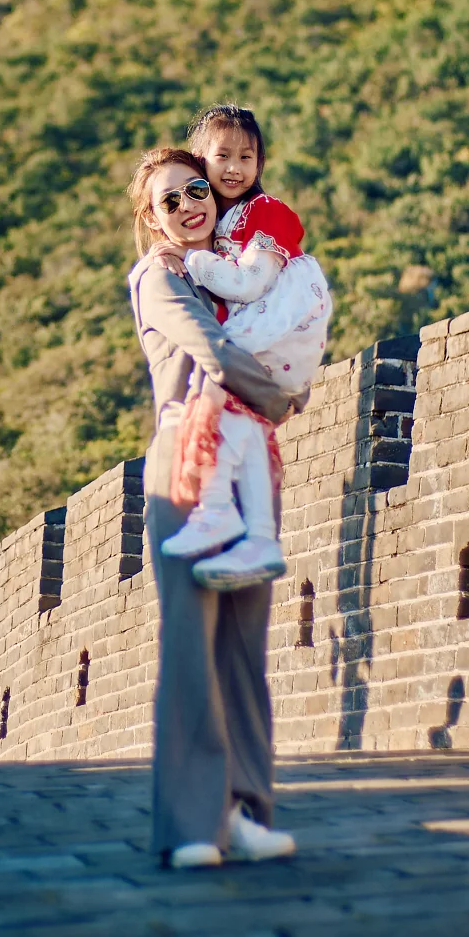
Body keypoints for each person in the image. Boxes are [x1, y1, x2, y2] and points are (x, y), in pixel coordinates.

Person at [127, 145, 305, 869]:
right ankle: (190, 824)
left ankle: (246, 809)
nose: (188, 205)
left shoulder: (232, 277)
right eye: (169, 200)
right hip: (188, 464)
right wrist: (284, 394)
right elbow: (216, 350)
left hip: (247, 459)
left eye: (195, 189)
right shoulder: (156, 279)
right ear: (151, 218)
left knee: (243, 646)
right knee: (192, 649)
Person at [161, 106, 331, 589]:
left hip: (285, 319)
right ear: (201, 159)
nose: (234, 168)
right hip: (271, 327)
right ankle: (254, 537)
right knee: (239, 422)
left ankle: (219, 513)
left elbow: (252, 283)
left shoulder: (266, 212)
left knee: (214, 386)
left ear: (260, 164)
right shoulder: (217, 222)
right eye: (223, 156)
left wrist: (193, 260)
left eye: (247, 157)